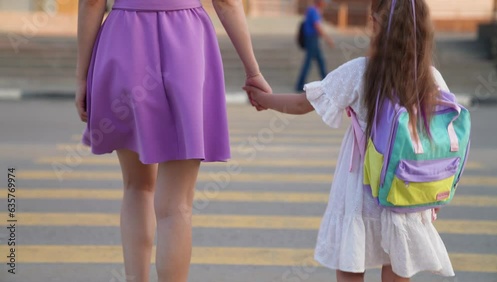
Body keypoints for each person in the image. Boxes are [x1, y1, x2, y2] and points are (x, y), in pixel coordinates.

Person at [244, 0, 455, 281]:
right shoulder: (431, 77)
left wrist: (264, 99)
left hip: (362, 189)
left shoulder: (361, 72)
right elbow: (440, 137)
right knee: (398, 264)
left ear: (376, 25)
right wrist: (437, 186)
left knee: (351, 262)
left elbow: (300, 104)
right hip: (407, 187)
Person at [75, 0, 271, 281]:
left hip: (125, 40)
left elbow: (92, 3)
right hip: (186, 42)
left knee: (136, 186)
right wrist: (253, 72)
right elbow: (226, 2)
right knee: (175, 206)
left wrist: (82, 77)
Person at [296, 0, 335, 92]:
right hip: (312, 39)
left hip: (313, 39)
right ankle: (300, 84)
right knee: (309, 62)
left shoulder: (313, 10)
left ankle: (326, 82)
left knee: (320, 61)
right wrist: (328, 39)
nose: (325, 4)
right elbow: (317, 26)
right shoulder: (313, 11)